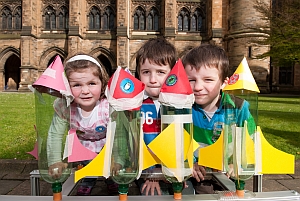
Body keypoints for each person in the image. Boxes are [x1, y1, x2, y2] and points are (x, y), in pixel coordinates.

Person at [182, 43, 256, 194]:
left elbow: (251, 143)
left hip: (230, 176)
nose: (197, 87)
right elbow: (178, 142)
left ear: (224, 83)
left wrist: (235, 163)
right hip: (200, 176)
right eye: (191, 80)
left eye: (208, 80)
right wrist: (190, 163)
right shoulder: (183, 109)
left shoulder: (239, 108)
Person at [47, 53, 118, 196]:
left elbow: (119, 135)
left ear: (102, 83)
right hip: (82, 147)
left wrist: (118, 159)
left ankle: (111, 180)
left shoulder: (108, 106)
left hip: (107, 147)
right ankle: (86, 180)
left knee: (110, 169)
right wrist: (55, 161)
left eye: (92, 83)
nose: (85, 91)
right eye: (77, 85)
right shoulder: (65, 107)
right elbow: (55, 134)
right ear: (67, 87)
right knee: (84, 167)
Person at [135, 38, 193, 196]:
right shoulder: (135, 104)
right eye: (146, 72)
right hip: (148, 172)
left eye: (160, 72)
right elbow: (134, 144)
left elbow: (186, 139)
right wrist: (152, 173)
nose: (153, 80)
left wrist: (181, 167)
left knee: (188, 195)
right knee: (153, 196)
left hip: (175, 169)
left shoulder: (180, 103)